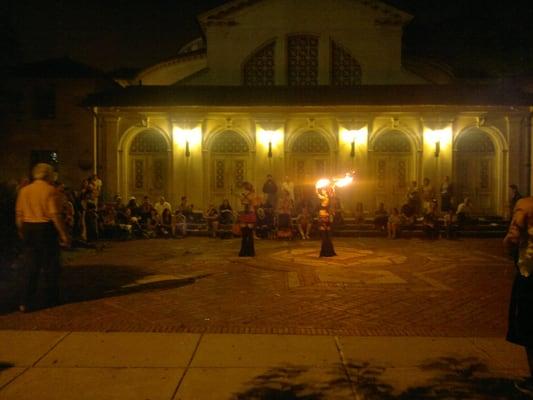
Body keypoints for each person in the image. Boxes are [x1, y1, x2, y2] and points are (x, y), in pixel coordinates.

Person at [15, 163, 70, 312]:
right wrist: (63, 234)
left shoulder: (24, 191)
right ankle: (51, 298)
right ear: (49, 175)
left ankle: (25, 301)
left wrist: (21, 230)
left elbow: (19, 214)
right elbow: (54, 214)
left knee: (30, 266)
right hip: (45, 228)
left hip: (28, 227)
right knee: (50, 266)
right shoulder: (51, 191)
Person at [503, 196, 533, 395]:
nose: (515, 215)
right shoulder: (520, 233)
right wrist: (511, 240)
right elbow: (509, 252)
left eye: (520, 211)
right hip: (524, 281)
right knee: (527, 332)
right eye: (515, 210)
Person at [316, 185, 336, 257]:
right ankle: (325, 252)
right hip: (322, 218)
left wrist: (332, 189)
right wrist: (316, 187)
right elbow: (318, 194)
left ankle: (328, 252)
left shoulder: (327, 198)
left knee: (327, 236)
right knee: (324, 236)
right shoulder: (325, 198)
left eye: (324, 190)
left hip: (326, 219)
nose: (322, 191)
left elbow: (331, 198)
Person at [239, 181, 256, 256]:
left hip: (247, 213)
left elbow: (243, 202)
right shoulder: (251, 194)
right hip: (248, 213)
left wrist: (245, 198)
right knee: (248, 234)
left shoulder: (246, 194)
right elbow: (252, 203)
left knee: (245, 234)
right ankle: (249, 252)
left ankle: (244, 252)